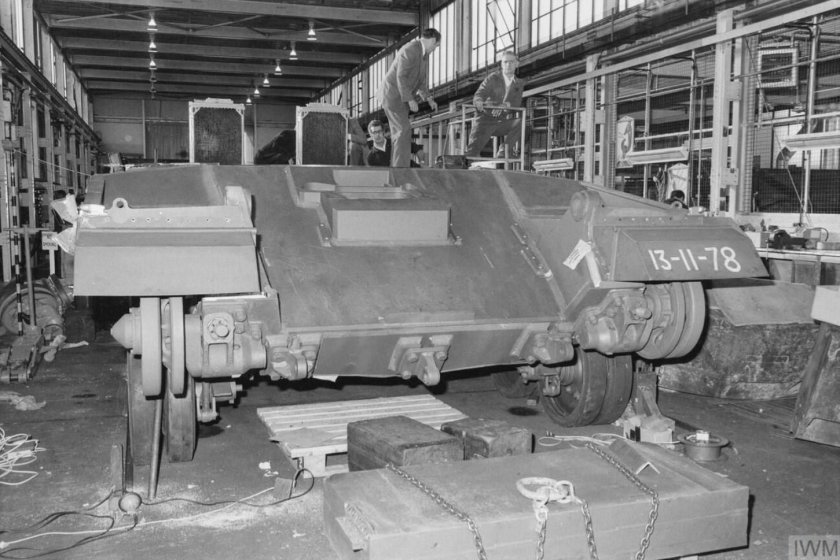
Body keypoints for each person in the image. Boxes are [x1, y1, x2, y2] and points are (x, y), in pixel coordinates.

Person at [377, 28, 440, 167]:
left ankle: (398, 167)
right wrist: (410, 99)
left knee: (400, 133)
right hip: (393, 95)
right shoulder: (411, 49)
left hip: (399, 97)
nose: (435, 49)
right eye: (436, 45)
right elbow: (401, 76)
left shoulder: (423, 55)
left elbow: (421, 81)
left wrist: (429, 99)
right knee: (403, 130)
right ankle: (400, 170)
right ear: (432, 40)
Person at [465, 50, 525, 158]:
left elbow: (516, 103)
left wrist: (506, 105)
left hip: (500, 122)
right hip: (484, 120)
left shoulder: (519, 83)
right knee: (471, 154)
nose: (508, 65)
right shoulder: (493, 78)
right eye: (505, 62)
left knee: (520, 123)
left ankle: (504, 151)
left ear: (517, 64)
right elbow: (480, 94)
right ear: (501, 64)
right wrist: (478, 101)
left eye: (511, 62)